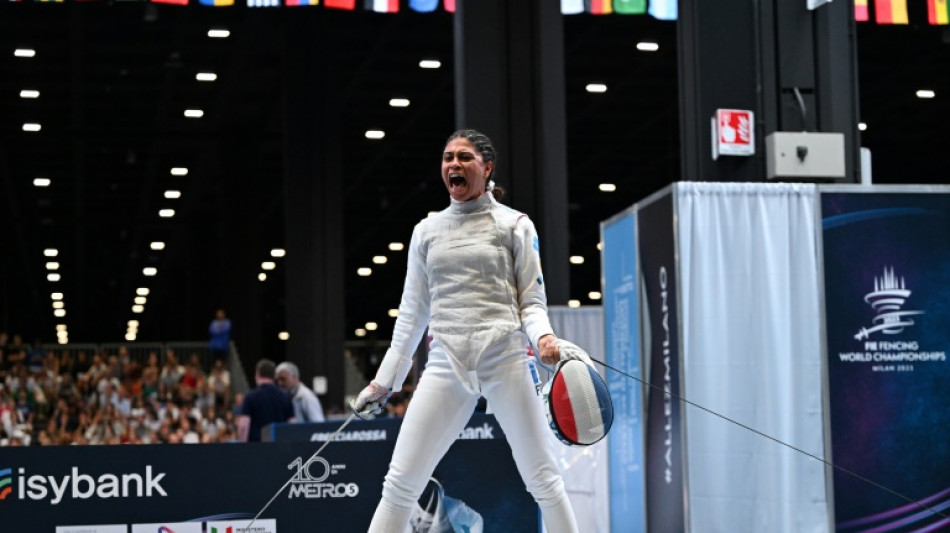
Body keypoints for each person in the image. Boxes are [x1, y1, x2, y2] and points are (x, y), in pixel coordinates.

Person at [352, 129, 580, 532]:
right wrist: (384, 381)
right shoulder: (426, 231)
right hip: (446, 364)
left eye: (464, 157)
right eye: (447, 157)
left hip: (505, 359)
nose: (453, 164)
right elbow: (412, 313)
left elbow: (531, 300)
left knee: (543, 479)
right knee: (400, 485)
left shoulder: (515, 225)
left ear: (486, 168)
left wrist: (543, 337)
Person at [236, 359, 293, 442]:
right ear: (274, 376)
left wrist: (242, 445)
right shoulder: (285, 396)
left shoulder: (250, 397)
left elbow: (243, 427)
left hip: (257, 446)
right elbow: (292, 424)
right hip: (280, 445)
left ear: (258, 374)